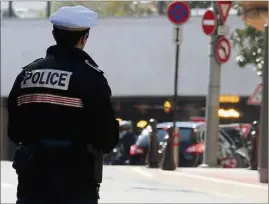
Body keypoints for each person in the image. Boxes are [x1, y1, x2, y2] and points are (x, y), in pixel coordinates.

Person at [7, 5, 119, 204]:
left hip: (32, 181)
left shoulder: (27, 74)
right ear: (85, 38)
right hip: (76, 184)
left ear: (54, 34)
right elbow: (107, 139)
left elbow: (14, 132)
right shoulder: (91, 78)